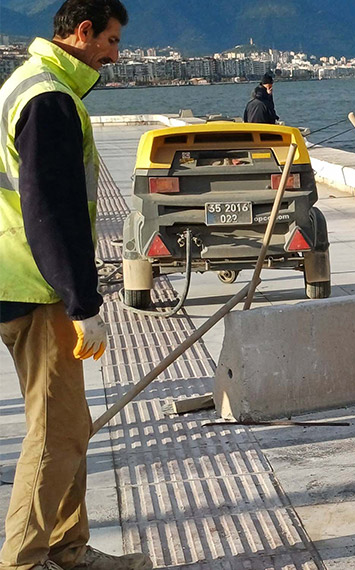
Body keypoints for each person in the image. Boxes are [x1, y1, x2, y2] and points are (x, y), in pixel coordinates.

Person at [0, 2, 154, 569]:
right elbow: (50, 211)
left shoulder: (29, 83)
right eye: (111, 41)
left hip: (22, 276)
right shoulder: (49, 99)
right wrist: (81, 302)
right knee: (56, 432)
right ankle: (22, 560)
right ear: (83, 32)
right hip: (38, 288)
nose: (116, 55)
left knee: (69, 427)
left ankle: (67, 547)